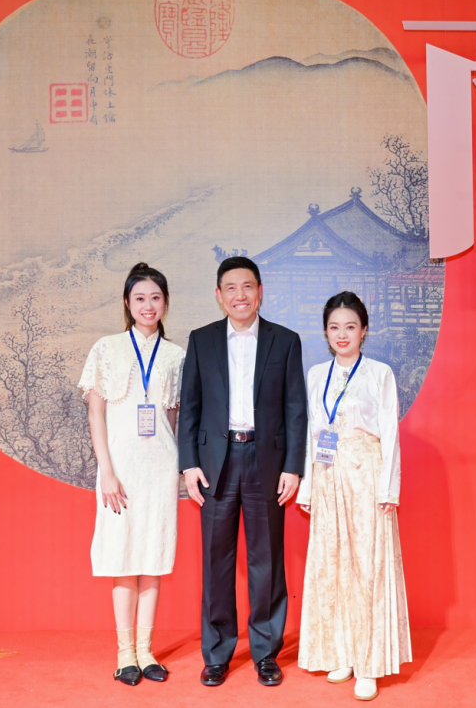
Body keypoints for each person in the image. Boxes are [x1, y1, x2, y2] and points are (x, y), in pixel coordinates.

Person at [177, 256, 308, 688]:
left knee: (266, 559)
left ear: (260, 291)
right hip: (215, 463)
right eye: (231, 288)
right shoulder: (202, 340)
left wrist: (293, 467)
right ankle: (217, 654)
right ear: (219, 295)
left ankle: (266, 653)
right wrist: (189, 464)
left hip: (265, 461)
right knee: (217, 560)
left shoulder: (284, 341)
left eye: (247, 286)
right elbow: (190, 407)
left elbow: (296, 409)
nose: (240, 295)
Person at [297, 291, 411, 701]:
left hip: (367, 474)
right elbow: (313, 431)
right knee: (333, 562)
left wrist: (389, 487)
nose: (342, 334)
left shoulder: (380, 373)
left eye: (350, 326)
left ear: (364, 330)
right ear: (325, 333)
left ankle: (368, 663)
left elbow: (391, 432)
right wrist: (308, 485)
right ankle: (342, 652)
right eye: (334, 327)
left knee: (367, 564)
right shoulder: (316, 374)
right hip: (328, 473)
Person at [78, 262, 186, 686]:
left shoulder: (176, 356)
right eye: (140, 298)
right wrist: (106, 470)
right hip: (118, 469)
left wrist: (175, 468)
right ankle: (125, 653)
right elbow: (96, 413)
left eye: (155, 298)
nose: (148, 305)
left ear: (165, 303)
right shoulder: (106, 349)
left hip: (159, 469)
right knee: (123, 557)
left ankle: (146, 650)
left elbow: (172, 419)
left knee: (152, 557)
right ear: (127, 303)